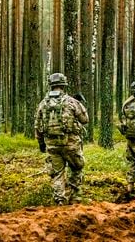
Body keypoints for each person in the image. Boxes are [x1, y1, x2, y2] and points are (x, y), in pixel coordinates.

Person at [35, 73, 89, 205]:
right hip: (71, 143)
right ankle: (75, 197)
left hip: (52, 144)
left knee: (57, 173)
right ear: (64, 86)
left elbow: (37, 125)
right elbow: (85, 120)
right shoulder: (71, 101)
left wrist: (41, 143)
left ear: (51, 86)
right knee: (76, 168)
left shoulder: (43, 103)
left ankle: (59, 199)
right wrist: (79, 104)